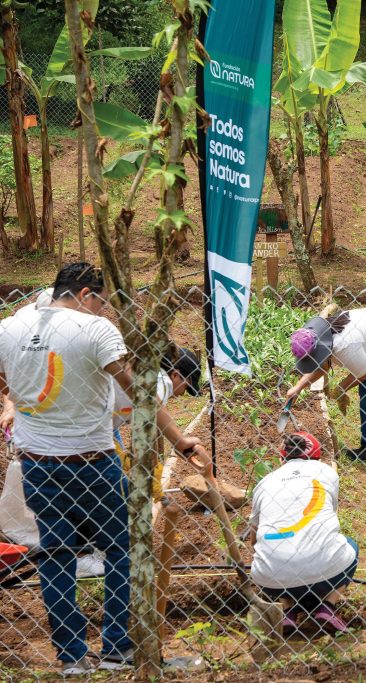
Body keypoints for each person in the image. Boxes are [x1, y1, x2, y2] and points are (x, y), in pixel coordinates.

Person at [0, 262, 210, 675]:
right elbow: (137, 392)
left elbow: (5, 381)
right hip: (93, 462)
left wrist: (17, 404)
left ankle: (73, 658)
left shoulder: (9, 328)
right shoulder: (95, 330)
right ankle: (118, 647)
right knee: (123, 549)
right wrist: (179, 439)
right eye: (101, 302)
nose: (103, 311)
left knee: (56, 554)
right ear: (84, 294)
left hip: (37, 467)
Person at [249, 432, 358, 634]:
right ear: (317, 456)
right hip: (327, 572)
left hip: (270, 579)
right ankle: (327, 606)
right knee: (350, 545)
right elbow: (330, 517)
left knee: (278, 550)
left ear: (282, 459)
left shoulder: (264, 483)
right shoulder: (326, 472)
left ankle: (288, 610)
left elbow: (253, 539)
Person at [287, 307, 366, 463]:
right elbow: (323, 365)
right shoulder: (326, 334)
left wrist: (341, 388)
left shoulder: (344, 344)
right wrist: (298, 388)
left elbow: (363, 374)